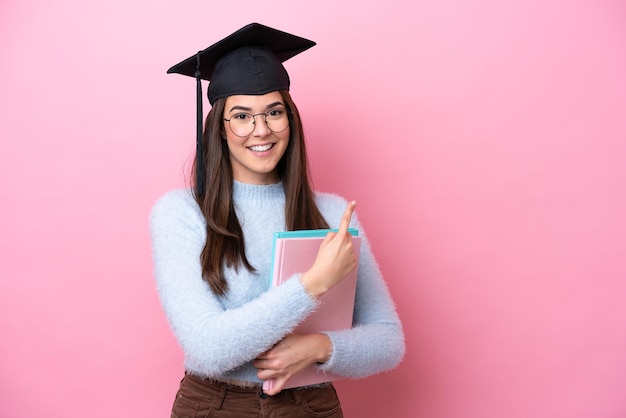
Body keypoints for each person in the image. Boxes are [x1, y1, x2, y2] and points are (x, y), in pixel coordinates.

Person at [150, 23, 405, 417]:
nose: (261, 130)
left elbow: (388, 342)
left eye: (274, 112)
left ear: (291, 118)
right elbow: (209, 349)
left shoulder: (333, 213)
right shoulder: (182, 213)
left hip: (311, 405)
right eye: (242, 116)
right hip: (217, 405)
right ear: (218, 127)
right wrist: (313, 284)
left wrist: (319, 347)